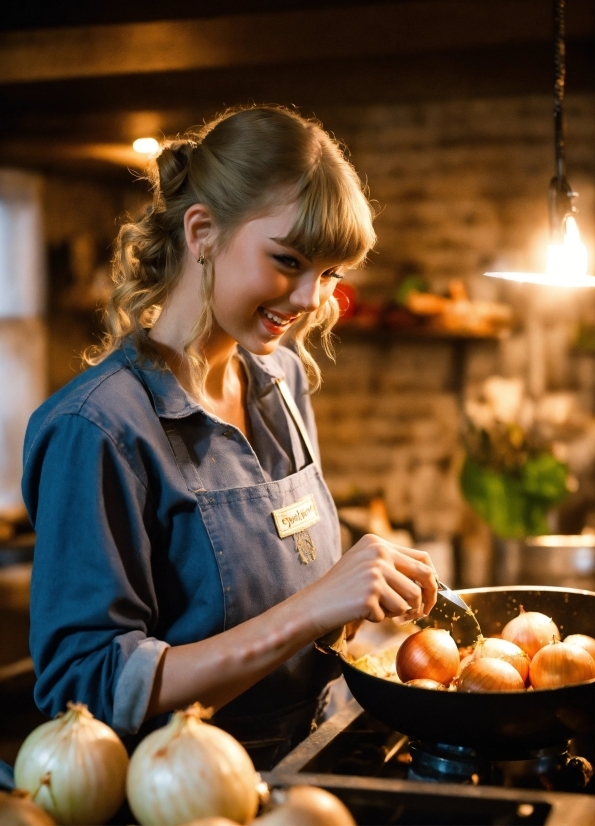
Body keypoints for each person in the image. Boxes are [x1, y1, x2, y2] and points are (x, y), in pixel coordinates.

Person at [22, 105, 438, 768]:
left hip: (308, 768)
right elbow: (85, 690)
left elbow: (293, 600)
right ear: (203, 231)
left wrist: (349, 598)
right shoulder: (97, 428)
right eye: (289, 260)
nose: (309, 299)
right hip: (186, 797)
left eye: (328, 273)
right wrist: (308, 609)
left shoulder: (281, 381)